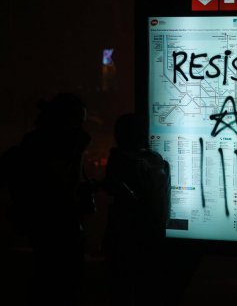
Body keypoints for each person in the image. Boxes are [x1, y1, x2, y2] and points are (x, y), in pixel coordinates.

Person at [7, 93, 91, 306]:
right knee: (61, 278)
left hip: (43, 222)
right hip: (59, 221)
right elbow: (65, 183)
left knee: (45, 274)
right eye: (78, 122)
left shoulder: (34, 142)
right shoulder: (63, 146)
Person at [103, 113, 170, 306]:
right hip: (152, 234)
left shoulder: (120, 159)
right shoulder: (156, 159)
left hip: (125, 235)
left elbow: (113, 188)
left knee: (122, 289)